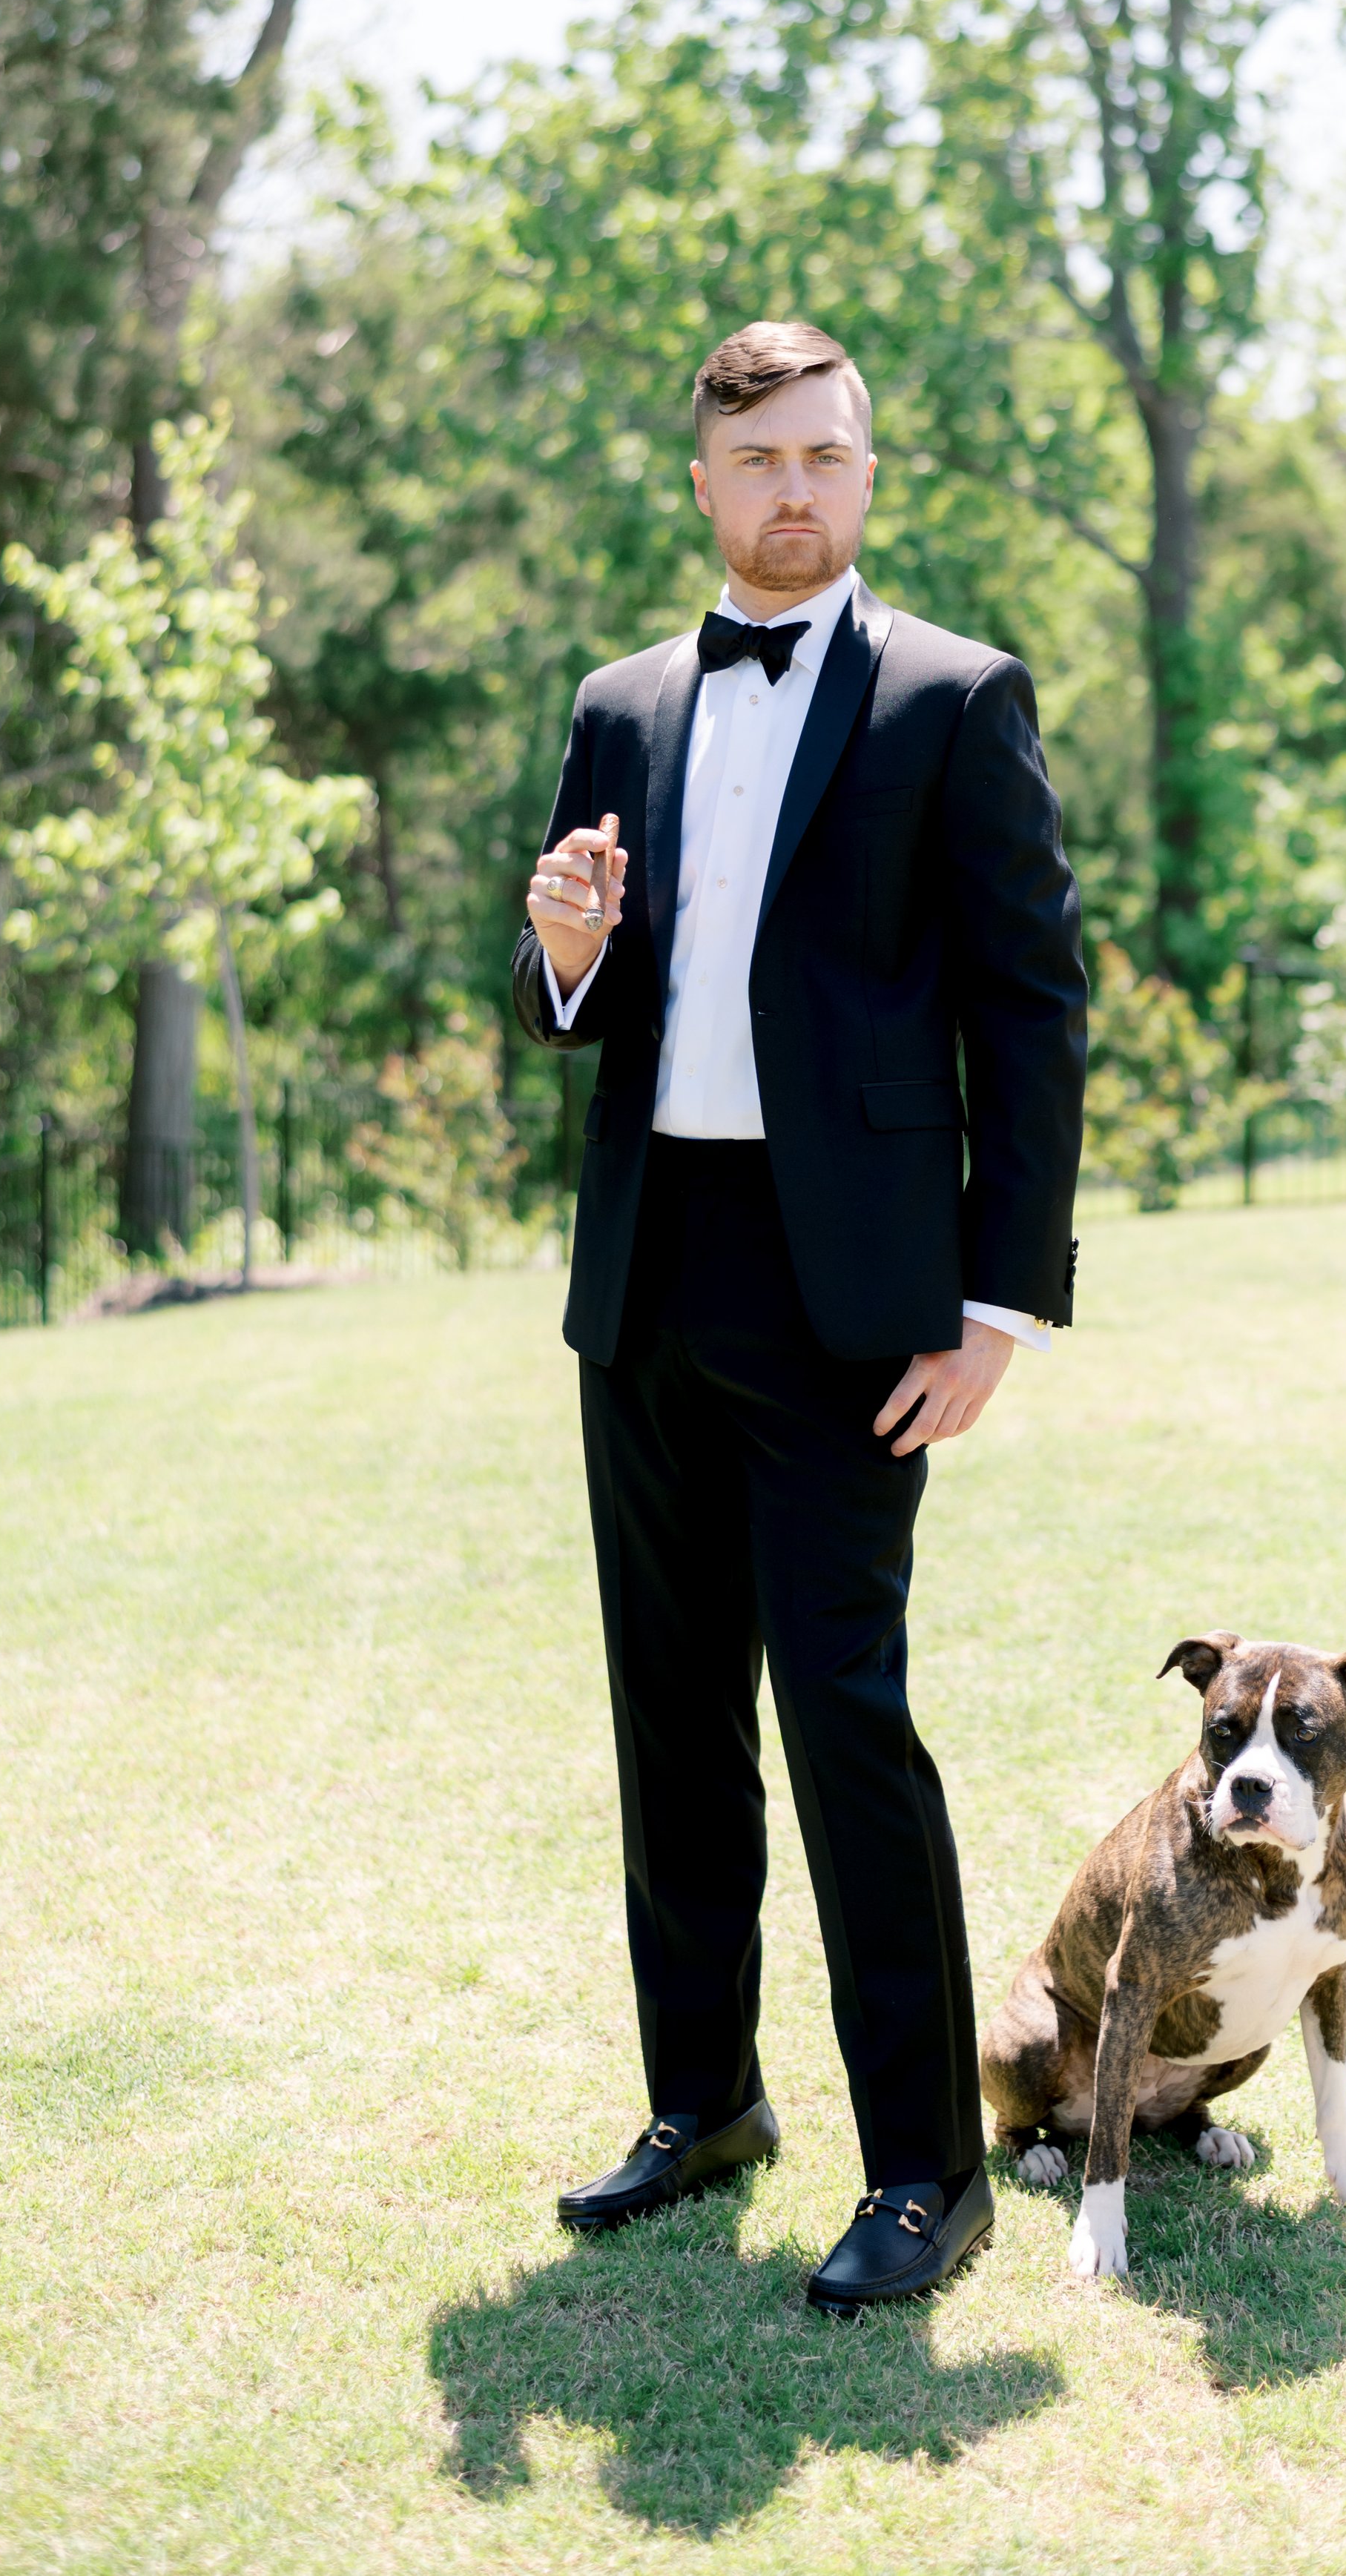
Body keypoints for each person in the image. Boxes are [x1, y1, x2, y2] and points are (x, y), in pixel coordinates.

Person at [512, 319, 1085, 2314]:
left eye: (826, 460)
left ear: (863, 474)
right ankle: (706, 2107)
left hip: (852, 1300)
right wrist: (562, 955)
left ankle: (928, 2166)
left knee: (842, 1718)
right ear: (702, 479)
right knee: (669, 1720)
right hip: (648, 1272)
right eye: (760, 461)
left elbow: (1029, 1005)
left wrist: (997, 1304)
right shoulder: (616, 704)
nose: (793, 492)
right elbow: (577, 995)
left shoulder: (951, 694)